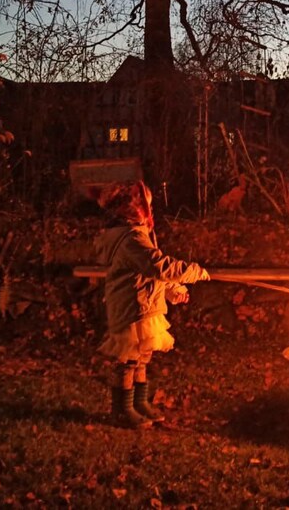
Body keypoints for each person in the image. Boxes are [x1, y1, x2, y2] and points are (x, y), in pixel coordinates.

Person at [94, 179, 209, 428]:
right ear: (135, 208)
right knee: (128, 361)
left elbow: (150, 274)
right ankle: (122, 409)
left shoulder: (140, 233)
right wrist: (193, 272)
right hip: (131, 309)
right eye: (147, 204)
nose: (150, 209)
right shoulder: (131, 239)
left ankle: (139, 402)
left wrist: (173, 291)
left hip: (145, 306)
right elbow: (158, 266)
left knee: (143, 357)